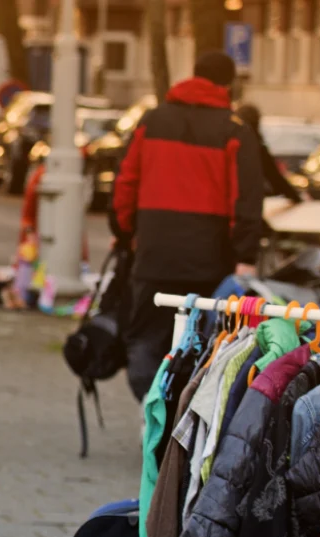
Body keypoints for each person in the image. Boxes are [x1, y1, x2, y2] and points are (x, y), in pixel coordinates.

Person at [111, 50, 263, 401]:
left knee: (148, 337)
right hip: (209, 260)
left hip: (153, 253)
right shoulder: (234, 131)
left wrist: (126, 233)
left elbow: (125, 185)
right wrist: (245, 254)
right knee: (204, 343)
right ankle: (184, 417)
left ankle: (151, 411)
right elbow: (246, 200)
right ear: (228, 84)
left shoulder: (150, 122)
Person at [235, 103, 302, 200]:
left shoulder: (229, 142)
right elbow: (274, 177)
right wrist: (296, 198)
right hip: (247, 202)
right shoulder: (256, 146)